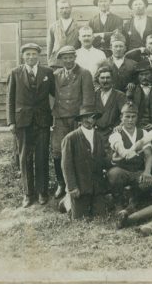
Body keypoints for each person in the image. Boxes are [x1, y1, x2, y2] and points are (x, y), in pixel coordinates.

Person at [6, 43, 55, 207]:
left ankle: (42, 192)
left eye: (34, 54)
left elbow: (56, 94)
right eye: (28, 54)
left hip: (42, 120)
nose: (31, 57)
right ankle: (28, 193)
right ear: (23, 56)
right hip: (23, 121)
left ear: (39, 56)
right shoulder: (15, 73)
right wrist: (11, 121)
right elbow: (10, 99)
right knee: (25, 156)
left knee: (42, 156)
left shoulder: (48, 73)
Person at [52, 45, 95, 200]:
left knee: (79, 150)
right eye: (65, 58)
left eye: (71, 57)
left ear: (75, 58)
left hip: (77, 118)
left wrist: (83, 120)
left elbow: (88, 99)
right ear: (61, 59)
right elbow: (52, 96)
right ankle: (61, 184)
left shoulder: (84, 73)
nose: (68, 60)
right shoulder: (56, 75)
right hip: (60, 118)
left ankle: (80, 184)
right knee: (57, 151)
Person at [59, 106, 111, 219]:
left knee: (101, 215)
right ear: (80, 120)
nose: (89, 120)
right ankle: (67, 202)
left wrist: (113, 159)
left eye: (93, 117)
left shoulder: (99, 137)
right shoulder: (70, 138)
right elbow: (66, 165)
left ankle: (91, 201)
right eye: (86, 117)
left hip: (96, 186)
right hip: (80, 187)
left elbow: (102, 159)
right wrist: (72, 187)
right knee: (80, 217)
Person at [108, 104, 152, 211]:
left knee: (147, 181)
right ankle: (118, 202)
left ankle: (134, 200)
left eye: (133, 117)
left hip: (138, 170)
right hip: (122, 171)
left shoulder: (143, 133)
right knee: (114, 174)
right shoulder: (116, 134)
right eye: (127, 116)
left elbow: (148, 155)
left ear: (137, 118)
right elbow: (122, 151)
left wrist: (147, 172)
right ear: (121, 118)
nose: (130, 120)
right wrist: (130, 152)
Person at [93, 66, 127, 149]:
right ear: (98, 79)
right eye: (102, 78)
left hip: (113, 133)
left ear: (112, 79)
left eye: (108, 78)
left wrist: (120, 125)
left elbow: (126, 113)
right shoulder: (94, 95)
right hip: (96, 133)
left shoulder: (120, 95)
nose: (105, 81)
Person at [47, 0, 80, 68]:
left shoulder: (78, 26)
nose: (64, 10)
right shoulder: (53, 26)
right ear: (58, 10)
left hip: (73, 61)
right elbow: (50, 45)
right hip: (57, 62)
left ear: (71, 9)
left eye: (66, 8)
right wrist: (49, 61)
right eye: (61, 8)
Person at [129, 60, 152, 130]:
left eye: (147, 74)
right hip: (136, 126)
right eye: (141, 75)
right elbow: (129, 110)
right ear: (137, 76)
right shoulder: (133, 90)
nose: (144, 77)